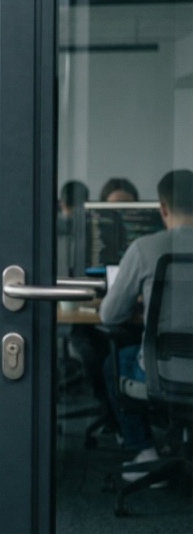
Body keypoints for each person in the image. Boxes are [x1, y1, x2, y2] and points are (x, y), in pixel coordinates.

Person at [100, 169, 193, 483]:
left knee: (115, 363)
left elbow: (109, 316)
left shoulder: (144, 248)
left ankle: (145, 451)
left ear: (162, 208)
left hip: (162, 371)